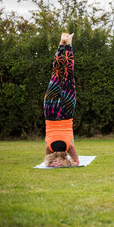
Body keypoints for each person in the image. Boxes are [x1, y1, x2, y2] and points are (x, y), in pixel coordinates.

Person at [43, 33, 79, 167]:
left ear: (66, 156)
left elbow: (76, 162)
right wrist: (53, 164)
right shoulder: (49, 148)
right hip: (50, 112)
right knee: (56, 74)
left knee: (69, 75)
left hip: (67, 113)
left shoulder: (69, 146)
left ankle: (68, 44)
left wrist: (68, 164)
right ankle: (61, 43)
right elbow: (46, 158)